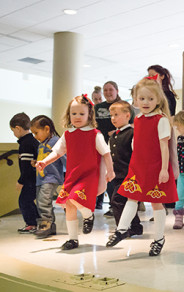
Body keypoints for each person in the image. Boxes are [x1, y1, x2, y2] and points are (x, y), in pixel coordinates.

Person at [106, 78, 178, 257]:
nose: (146, 103)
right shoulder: (137, 119)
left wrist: (163, 169)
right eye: (142, 99)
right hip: (138, 166)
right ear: (136, 100)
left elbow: (164, 147)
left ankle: (159, 239)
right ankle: (122, 229)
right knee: (131, 197)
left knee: (156, 203)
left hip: (155, 167)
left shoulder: (161, 120)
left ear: (158, 100)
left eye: (151, 99)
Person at [36, 95, 115, 250]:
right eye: (74, 114)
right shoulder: (67, 134)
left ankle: (88, 215)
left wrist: (110, 171)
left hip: (89, 176)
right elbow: (57, 152)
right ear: (68, 115)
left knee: (75, 199)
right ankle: (73, 239)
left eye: (81, 114)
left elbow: (106, 153)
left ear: (89, 115)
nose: (77, 117)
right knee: (69, 206)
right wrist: (45, 161)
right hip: (73, 176)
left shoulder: (95, 134)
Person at [95, 81, 133, 212]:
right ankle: (114, 205)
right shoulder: (98, 107)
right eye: (105, 90)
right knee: (109, 178)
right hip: (105, 147)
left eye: (111, 90)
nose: (108, 93)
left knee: (121, 179)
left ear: (117, 91)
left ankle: (126, 204)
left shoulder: (124, 106)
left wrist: (119, 131)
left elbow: (133, 124)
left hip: (123, 147)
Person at [108, 101, 143, 237]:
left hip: (129, 175)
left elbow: (137, 154)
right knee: (125, 201)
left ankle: (121, 229)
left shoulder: (132, 133)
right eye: (111, 115)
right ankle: (135, 227)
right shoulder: (112, 136)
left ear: (127, 115)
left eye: (116, 115)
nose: (113, 118)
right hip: (117, 176)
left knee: (116, 201)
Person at [30, 115, 66, 238]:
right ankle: (48, 224)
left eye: (36, 133)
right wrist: (36, 162)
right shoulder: (41, 144)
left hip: (51, 177)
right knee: (40, 201)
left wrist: (70, 174)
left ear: (46, 129)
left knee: (44, 201)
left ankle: (47, 223)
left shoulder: (55, 141)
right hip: (41, 178)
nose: (35, 136)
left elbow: (64, 157)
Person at [9, 112, 39, 233]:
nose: (14, 134)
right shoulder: (31, 141)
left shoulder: (25, 144)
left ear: (18, 128)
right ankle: (37, 221)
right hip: (34, 178)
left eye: (13, 131)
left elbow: (27, 166)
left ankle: (32, 223)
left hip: (29, 179)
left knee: (24, 201)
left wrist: (21, 180)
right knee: (28, 200)